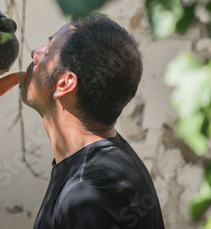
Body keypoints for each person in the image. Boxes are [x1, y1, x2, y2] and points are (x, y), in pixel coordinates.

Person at [21, 14, 165, 228]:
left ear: (64, 83)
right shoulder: (108, 160)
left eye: (48, 53)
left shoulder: (90, 194)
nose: (35, 53)